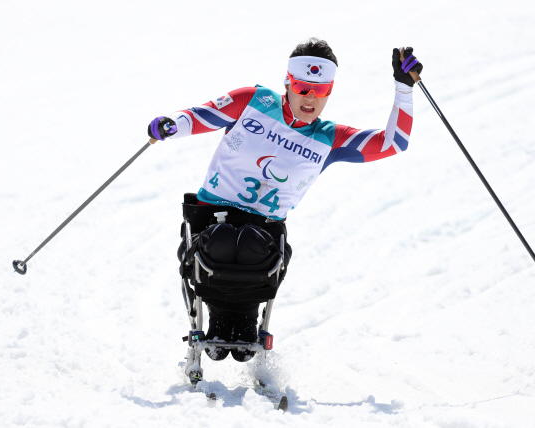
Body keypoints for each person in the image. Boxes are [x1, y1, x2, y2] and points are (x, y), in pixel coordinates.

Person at [148, 38, 422, 362]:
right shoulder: (253, 101)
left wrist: (404, 88)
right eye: (304, 87)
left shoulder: (329, 138)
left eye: (321, 91)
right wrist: (171, 125)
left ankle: (244, 324)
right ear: (289, 83)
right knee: (222, 240)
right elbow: (202, 115)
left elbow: (394, 142)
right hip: (212, 218)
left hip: (261, 232)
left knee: (250, 243)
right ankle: (221, 322)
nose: (311, 98)